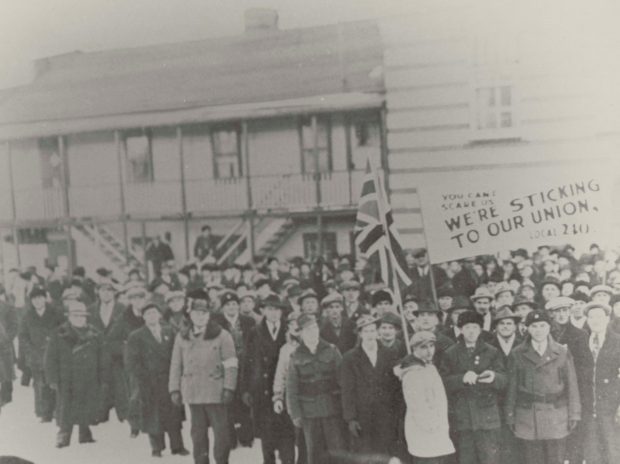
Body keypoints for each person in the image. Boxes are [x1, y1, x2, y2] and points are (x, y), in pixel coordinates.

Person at [168, 293, 238, 464]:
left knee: (221, 433)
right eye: (197, 313)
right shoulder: (182, 336)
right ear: (190, 315)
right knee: (198, 434)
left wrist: (229, 387)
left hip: (216, 391)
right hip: (193, 391)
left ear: (209, 315)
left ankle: (222, 461)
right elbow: (176, 364)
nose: (200, 317)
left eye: (204, 313)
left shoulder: (222, 335)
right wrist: (174, 389)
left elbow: (231, 364)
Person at [504, 310, 581, 464]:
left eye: (542, 326)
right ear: (527, 329)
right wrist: (510, 415)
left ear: (549, 327)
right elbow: (511, 388)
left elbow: (572, 385)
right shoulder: (517, 353)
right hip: (527, 417)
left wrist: (574, 414)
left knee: (555, 459)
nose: (538, 330)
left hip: (556, 415)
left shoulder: (561, 352)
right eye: (534, 326)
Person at [440, 311, 506, 464]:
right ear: (461, 329)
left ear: (480, 330)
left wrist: (494, 376)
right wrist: (461, 378)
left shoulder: (492, 351)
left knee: (490, 459)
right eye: (467, 327)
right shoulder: (451, 353)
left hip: (487, 417)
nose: (471, 331)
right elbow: (443, 382)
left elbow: (504, 380)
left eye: (475, 327)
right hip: (463, 419)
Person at [126, 303, 188, 457]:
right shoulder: (136, 336)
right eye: (148, 314)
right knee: (152, 416)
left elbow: (177, 354)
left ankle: (178, 446)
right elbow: (132, 362)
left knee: (173, 414)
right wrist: (143, 378)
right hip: (149, 383)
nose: (152, 316)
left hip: (169, 380)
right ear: (143, 317)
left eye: (154, 313)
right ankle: (157, 448)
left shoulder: (169, 332)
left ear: (160, 315)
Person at [287, 313, 346, 464]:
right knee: (315, 453)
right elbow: (292, 388)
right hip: (310, 413)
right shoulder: (295, 356)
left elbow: (343, 381)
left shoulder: (332, 350)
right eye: (307, 329)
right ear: (300, 333)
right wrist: (296, 414)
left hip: (332, 409)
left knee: (337, 450)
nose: (312, 332)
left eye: (314, 327)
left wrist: (345, 408)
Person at [243, 293, 295, 464]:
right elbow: (247, 362)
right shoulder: (255, 332)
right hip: (263, 390)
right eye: (270, 309)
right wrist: (246, 389)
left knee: (287, 433)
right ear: (263, 310)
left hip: (284, 388)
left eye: (277, 310)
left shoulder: (290, 330)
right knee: (267, 436)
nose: (274, 313)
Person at [44, 300, 103, 448]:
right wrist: (52, 378)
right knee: (65, 408)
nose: (79, 318)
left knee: (86, 405)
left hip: (88, 377)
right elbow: (50, 358)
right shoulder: (59, 333)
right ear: (69, 317)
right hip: (66, 378)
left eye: (82, 315)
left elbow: (102, 357)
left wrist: (102, 376)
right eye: (75, 315)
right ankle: (63, 435)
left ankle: (85, 434)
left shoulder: (95, 333)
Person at [340, 314, 400, 456]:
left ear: (377, 332)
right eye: (366, 331)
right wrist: (351, 418)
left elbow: (394, 386)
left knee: (385, 451)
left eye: (373, 330)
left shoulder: (389, 353)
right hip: (363, 415)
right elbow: (348, 390)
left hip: (385, 413)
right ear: (360, 334)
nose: (370, 335)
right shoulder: (350, 358)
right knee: (366, 453)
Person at [394, 331, 455, 464]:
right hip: (424, 429)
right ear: (414, 348)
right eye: (424, 347)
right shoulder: (412, 372)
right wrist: (430, 425)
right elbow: (416, 404)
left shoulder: (429, 367)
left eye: (431, 346)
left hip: (438, 427)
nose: (429, 351)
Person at [545, 296, 591, 464]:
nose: (562, 314)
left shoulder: (580, 335)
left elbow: (585, 368)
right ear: (551, 314)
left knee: (574, 438)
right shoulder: (546, 334)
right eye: (558, 311)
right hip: (552, 392)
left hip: (573, 391)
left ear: (570, 311)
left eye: (565, 310)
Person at [212, 290, 255, 448]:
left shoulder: (248, 321)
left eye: (234, 304)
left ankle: (247, 436)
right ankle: (229, 438)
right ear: (223, 307)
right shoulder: (215, 322)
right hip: (225, 366)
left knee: (244, 400)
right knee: (227, 401)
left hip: (245, 366)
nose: (232, 307)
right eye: (228, 304)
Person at [581, 301, 620, 464]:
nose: (595, 320)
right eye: (591, 317)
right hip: (589, 410)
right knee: (592, 454)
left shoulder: (618, 342)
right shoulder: (582, 343)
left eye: (599, 316)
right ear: (587, 320)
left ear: (607, 318)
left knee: (613, 452)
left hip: (612, 410)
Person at [18, 286, 64, 422]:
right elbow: (23, 336)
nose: (37, 301)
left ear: (45, 298)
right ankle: (44, 412)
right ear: (31, 301)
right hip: (36, 355)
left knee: (54, 382)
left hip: (54, 354)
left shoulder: (56, 313)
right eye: (34, 299)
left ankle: (57, 410)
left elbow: (64, 330)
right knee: (40, 384)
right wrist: (30, 351)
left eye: (40, 298)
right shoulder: (27, 316)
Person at [88, 281, 129, 424]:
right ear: (97, 292)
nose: (106, 293)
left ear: (114, 293)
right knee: (100, 383)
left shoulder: (123, 309)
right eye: (103, 290)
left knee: (120, 384)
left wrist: (121, 347)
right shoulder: (92, 309)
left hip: (117, 355)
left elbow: (128, 331)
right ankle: (101, 414)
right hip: (98, 354)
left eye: (109, 290)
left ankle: (124, 414)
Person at [489, 306, 524, 464]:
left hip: (520, 401)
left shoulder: (523, 344)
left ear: (515, 326)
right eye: (501, 323)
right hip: (497, 402)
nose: (505, 327)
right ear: (495, 327)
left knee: (519, 444)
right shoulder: (488, 346)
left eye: (509, 323)